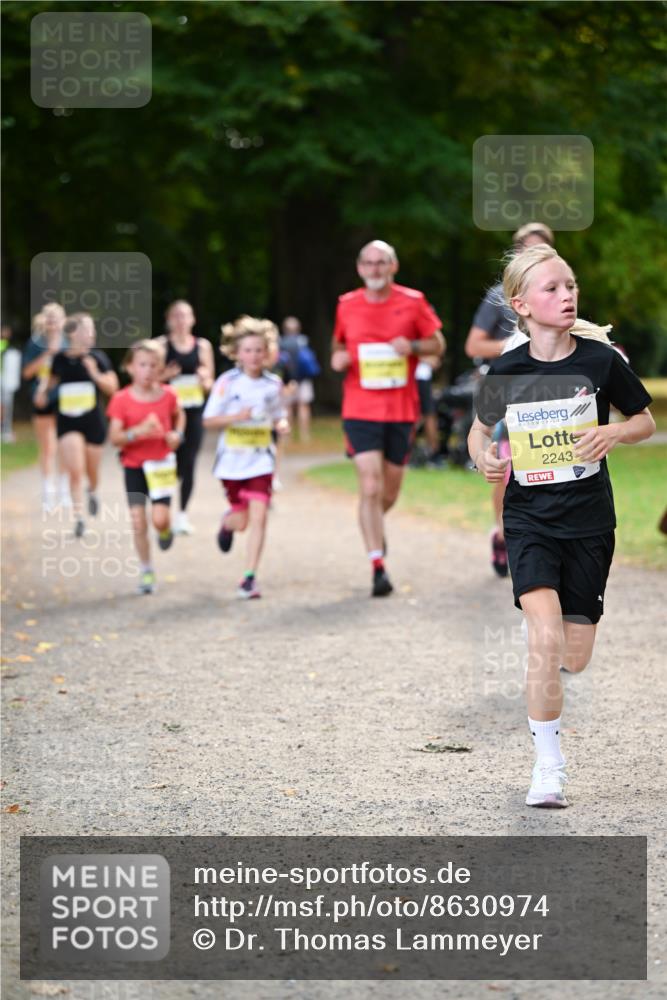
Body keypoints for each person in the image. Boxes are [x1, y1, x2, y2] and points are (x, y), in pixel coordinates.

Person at [468, 244, 655, 808]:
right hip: (528, 518)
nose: (567, 295)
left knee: (574, 655)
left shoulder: (600, 362)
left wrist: (613, 434)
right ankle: (548, 767)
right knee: (544, 637)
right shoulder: (506, 369)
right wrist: (484, 458)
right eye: (553, 288)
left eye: (570, 285)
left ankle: (549, 662)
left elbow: (645, 421)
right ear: (522, 304)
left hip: (590, 521)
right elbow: (480, 432)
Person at [331, 239, 444, 596]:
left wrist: (410, 346)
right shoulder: (346, 305)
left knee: (389, 491)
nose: (374, 269)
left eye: (381, 263)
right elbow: (337, 346)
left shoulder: (412, 301)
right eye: (367, 263)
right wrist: (338, 359)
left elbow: (437, 344)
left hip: (400, 409)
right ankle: (377, 564)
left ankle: (374, 525)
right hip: (359, 408)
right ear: (359, 268)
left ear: (393, 267)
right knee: (369, 484)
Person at [465, 223, 555, 577]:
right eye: (526, 250)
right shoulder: (497, 297)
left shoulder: (559, 291)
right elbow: (473, 346)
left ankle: (542, 539)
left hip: (548, 393)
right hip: (508, 394)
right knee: (508, 470)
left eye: (541, 251)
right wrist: (520, 350)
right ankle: (502, 532)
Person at [203, 316, 289, 600]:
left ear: (267, 353)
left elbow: (279, 415)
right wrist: (235, 417)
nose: (253, 356)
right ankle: (227, 523)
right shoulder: (227, 382)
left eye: (259, 350)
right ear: (237, 353)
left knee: (260, 517)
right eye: (248, 350)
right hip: (232, 463)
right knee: (242, 522)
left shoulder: (273, 384)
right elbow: (209, 420)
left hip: (261, 461)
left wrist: (282, 424)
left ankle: (249, 577)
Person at [108, 340, 185, 595]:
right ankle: (146, 569)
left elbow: (179, 415)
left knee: (159, 519)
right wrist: (138, 432)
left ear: (160, 368)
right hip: (134, 467)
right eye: (142, 365)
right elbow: (114, 438)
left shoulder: (169, 395)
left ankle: (164, 530)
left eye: (154, 365)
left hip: (161, 463)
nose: (148, 370)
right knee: (138, 522)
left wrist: (177, 434)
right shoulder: (121, 399)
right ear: (130, 367)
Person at [35, 313, 118, 537]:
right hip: (67, 422)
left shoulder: (98, 358)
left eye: (92, 329)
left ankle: (92, 490)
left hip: (93, 422)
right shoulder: (60, 359)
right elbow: (49, 382)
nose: (91, 334)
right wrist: (42, 393)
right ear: (73, 333)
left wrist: (94, 373)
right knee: (75, 470)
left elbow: (112, 387)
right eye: (86, 329)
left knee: (92, 471)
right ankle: (79, 518)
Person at [156, 300, 215, 535]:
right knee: (170, 464)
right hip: (167, 415)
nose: (181, 321)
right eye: (176, 316)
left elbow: (211, 385)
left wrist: (204, 380)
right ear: (169, 320)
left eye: (185, 316)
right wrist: (164, 375)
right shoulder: (161, 346)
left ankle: (181, 515)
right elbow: (148, 380)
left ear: (193, 320)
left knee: (189, 463)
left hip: (194, 412)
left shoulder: (202, 346)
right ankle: (163, 512)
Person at [21, 303, 68, 510]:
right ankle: (48, 491)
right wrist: (49, 353)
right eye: (49, 317)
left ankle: (66, 489)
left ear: (64, 321)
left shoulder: (70, 343)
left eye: (57, 317)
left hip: (65, 399)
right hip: (41, 399)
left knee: (66, 445)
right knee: (47, 447)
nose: (53, 321)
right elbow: (27, 373)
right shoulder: (35, 343)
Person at [280, 316, 320, 442]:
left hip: (287, 381)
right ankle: (305, 436)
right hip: (304, 379)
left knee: (287, 408)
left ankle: (287, 437)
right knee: (304, 407)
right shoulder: (304, 341)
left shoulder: (281, 342)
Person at [415, 354, 444, 466]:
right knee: (426, 416)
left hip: (421, 378)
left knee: (429, 416)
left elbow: (435, 361)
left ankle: (434, 453)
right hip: (414, 378)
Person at [1, 326, 22, 443]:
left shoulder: (8, 346)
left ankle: (5, 430)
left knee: (6, 406)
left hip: (6, 381)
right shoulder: (3, 345)